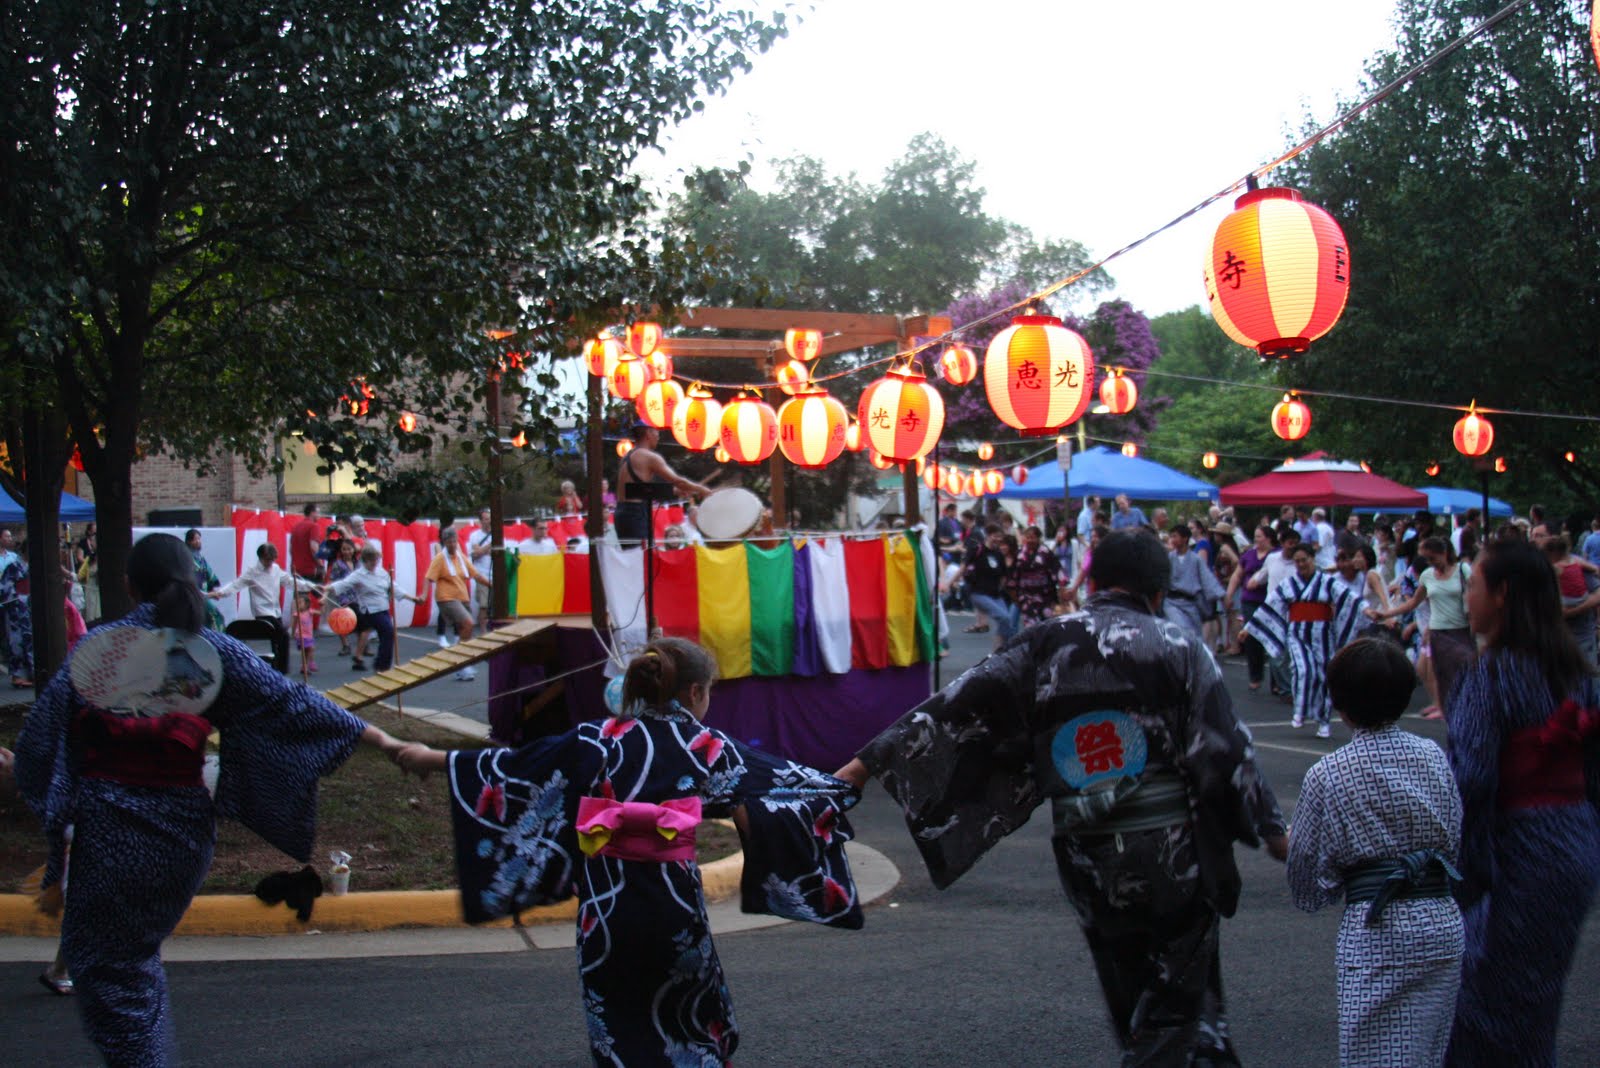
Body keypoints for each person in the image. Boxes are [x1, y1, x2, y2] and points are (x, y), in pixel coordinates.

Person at [835, 529, 1288, 1065]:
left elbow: (956, 705)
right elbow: (1224, 750)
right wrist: (1273, 831)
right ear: (1158, 592)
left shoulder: (1046, 641)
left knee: (1131, 988)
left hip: (1086, 851)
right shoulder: (1178, 645)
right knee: (1177, 1003)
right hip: (1170, 848)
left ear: (1091, 581)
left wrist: (859, 769)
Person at [13, 533, 406, 1067]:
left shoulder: (100, 649)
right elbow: (291, 702)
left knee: (112, 976)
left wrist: (47, 806)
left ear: (130, 587)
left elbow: (39, 746)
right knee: (131, 966)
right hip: (183, 838)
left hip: (112, 840)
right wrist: (384, 740)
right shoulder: (210, 647)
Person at [394, 637, 863, 1066]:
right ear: (697, 693)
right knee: (689, 1019)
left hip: (606, 910)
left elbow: (512, 768)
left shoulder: (593, 740)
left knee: (617, 1025)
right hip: (672, 909)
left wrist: (429, 758)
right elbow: (787, 787)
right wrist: (863, 768)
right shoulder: (707, 747)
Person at [1445, 538, 1600, 1067]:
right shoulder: (1580, 675)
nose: (1467, 597)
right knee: (1535, 1003)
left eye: (1473, 585)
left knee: (1482, 1006)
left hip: (1520, 855)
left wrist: (1458, 877)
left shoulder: (1490, 677)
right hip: (1576, 847)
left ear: (1503, 593)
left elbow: (1471, 781)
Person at [1288, 638, 1464, 1068]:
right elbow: (1455, 834)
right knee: (1428, 1051)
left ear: (1340, 703)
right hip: (1441, 919)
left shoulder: (1327, 774)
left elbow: (1306, 877)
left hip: (1378, 927)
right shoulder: (1432, 756)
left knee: (1372, 1052)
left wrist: (1322, 876)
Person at [1246, 541, 1361, 738]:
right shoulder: (1289, 584)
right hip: (1297, 633)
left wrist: (1367, 609)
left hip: (1323, 633)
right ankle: (1300, 709)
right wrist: (1248, 629)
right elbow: (1270, 605)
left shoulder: (1328, 582)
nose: (1301, 564)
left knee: (1324, 676)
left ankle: (1323, 721)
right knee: (1303, 670)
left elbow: (1349, 598)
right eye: (1297, 561)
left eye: (1304, 560)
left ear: (1312, 559)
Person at [1369, 537, 1474, 714]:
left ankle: (1461, 706)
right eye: (1427, 559)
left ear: (1445, 553)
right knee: (1437, 671)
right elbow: (1413, 603)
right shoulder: (1427, 575)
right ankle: (1445, 707)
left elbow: (1475, 593)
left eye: (1433, 558)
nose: (1430, 563)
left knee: (1460, 671)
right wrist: (1386, 613)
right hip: (1438, 629)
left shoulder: (1462, 570)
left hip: (1460, 629)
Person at [206, 543, 306, 670]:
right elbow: (236, 584)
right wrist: (220, 593)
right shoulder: (252, 572)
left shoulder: (275, 569)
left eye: (272, 559)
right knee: (284, 636)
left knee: (281, 640)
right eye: (268, 560)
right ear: (261, 558)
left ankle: (279, 668)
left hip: (275, 611)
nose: (271, 563)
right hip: (262, 613)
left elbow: (290, 582)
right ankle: (281, 670)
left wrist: (312, 587)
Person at [321, 544, 419, 671]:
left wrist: (411, 598)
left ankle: (373, 661)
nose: (375, 563)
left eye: (376, 560)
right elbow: (343, 584)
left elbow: (394, 587)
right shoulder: (359, 574)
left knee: (387, 635)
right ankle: (380, 665)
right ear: (365, 560)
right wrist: (327, 588)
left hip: (383, 608)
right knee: (387, 631)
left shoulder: (381, 572)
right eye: (372, 560)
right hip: (370, 610)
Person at [613, 423, 713, 543]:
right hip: (635, 514)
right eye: (656, 432)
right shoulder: (649, 457)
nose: (658, 436)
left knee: (634, 557)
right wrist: (703, 490)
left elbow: (635, 491)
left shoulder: (627, 457)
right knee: (641, 557)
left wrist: (676, 492)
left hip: (622, 514)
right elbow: (679, 481)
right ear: (648, 433)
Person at [424, 525, 491, 680]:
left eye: (454, 541)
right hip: (446, 598)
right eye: (449, 542)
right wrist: (423, 595)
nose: (453, 545)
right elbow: (428, 577)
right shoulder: (440, 558)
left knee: (465, 631)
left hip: (462, 597)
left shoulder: (461, 557)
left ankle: (462, 666)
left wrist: (492, 585)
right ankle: (457, 655)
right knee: (467, 623)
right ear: (444, 543)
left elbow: (475, 574)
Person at [1230, 525, 1276, 691]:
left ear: (1269, 539)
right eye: (1255, 536)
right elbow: (1237, 574)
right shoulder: (1248, 555)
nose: (1256, 540)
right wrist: (1229, 594)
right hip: (1250, 600)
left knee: (1272, 638)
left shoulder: (1276, 556)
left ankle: (1276, 682)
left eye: (1259, 537)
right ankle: (1255, 676)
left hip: (1269, 601)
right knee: (1251, 637)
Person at [1165, 524, 1224, 637]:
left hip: (1191, 603)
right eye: (1171, 537)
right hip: (1171, 602)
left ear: (1185, 538)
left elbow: (1207, 578)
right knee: (1181, 629)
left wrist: (1222, 596)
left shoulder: (1196, 559)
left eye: (1175, 536)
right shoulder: (1168, 558)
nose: (1172, 540)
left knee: (1195, 635)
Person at [962, 524, 1014, 648]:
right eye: (995, 536)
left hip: (995, 594)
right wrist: (947, 582)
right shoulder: (978, 550)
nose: (997, 539)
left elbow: (1003, 575)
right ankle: (1001, 652)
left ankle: (1000, 651)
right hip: (978, 592)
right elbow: (963, 567)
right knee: (1004, 617)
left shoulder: (998, 554)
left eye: (1000, 537)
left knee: (1008, 622)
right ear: (989, 536)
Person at [1006, 525, 1060, 628]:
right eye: (1028, 537)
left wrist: (1059, 594)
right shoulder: (1019, 555)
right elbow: (1013, 577)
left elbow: (1057, 573)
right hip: (1026, 596)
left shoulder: (1046, 553)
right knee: (1030, 627)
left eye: (1033, 537)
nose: (1030, 540)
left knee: (1047, 626)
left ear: (1038, 538)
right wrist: (1015, 597)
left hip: (1046, 596)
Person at [1, 528, 34, 687]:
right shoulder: (14, 566)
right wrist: (21, 599)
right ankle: (17, 676)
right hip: (16, 609)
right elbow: (5, 589)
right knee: (17, 642)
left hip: (31, 607)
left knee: (31, 641)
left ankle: (32, 673)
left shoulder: (34, 566)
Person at [323, 537, 358, 655]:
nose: (346, 552)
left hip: (357, 596)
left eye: (349, 549)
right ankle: (345, 645)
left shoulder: (357, 563)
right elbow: (332, 580)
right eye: (344, 549)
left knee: (360, 619)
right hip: (343, 596)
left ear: (353, 550)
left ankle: (364, 645)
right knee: (342, 620)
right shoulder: (338, 564)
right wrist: (326, 594)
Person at [185, 529, 225, 631]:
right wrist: (208, 594)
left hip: (203, 595)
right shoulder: (186, 559)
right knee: (215, 616)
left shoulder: (200, 559)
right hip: (193, 596)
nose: (198, 541)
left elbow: (209, 575)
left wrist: (211, 591)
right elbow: (189, 582)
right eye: (195, 539)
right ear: (189, 542)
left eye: (199, 539)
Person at [468, 507, 496, 627]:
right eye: (485, 519)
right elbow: (476, 553)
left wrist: (483, 550)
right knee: (483, 605)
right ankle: (483, 632)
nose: (488, 521)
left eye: (489, 519)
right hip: (481, 574)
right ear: (481, 521)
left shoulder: (497, 534)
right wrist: (490, 545)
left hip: (494, 573)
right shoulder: (475, 536)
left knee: (495, 605)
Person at [292, 591, 318, 674]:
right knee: (307, 649)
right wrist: (292, 633)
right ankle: (307, 665)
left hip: (309, 635)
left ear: (307, 604)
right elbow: (294, 624)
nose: (298, 605)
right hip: (301, 635)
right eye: (297, 603)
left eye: (300, 603)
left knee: (308, 650)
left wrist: (322, 605)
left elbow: (320, 613)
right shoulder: (297, 614)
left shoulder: (310, 612)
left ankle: (306, 665)